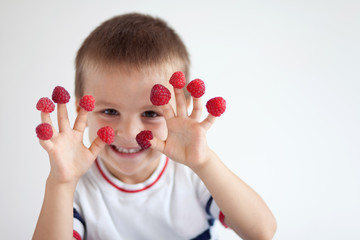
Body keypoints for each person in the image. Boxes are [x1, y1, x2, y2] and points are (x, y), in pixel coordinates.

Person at [33, 13, 277, 240]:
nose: (128, 133)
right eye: (109, 111)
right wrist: (61, 184)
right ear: (81, 110)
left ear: (181, 109)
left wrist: (205, 162)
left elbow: (262, 232)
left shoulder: (194, 176)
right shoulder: (76, 192)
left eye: (151, 113)